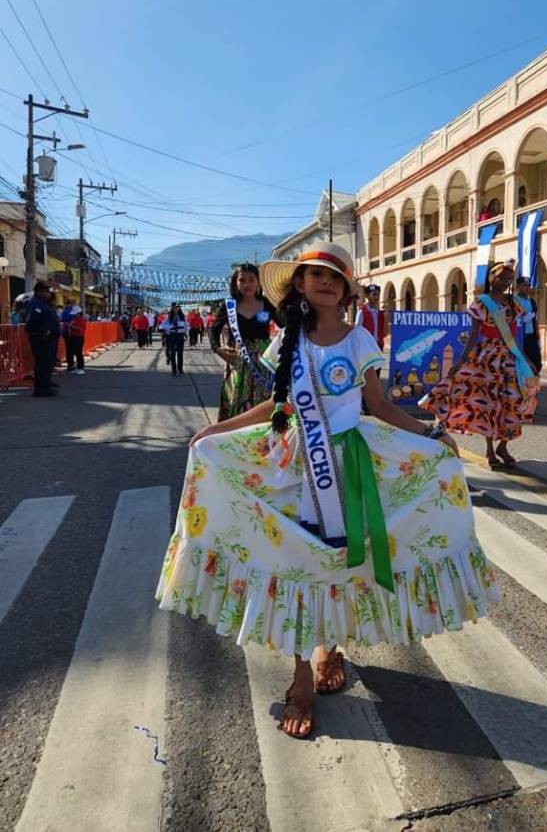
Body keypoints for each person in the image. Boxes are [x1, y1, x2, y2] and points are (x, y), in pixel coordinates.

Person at [156, 241, 500, 740]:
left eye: (335, 278)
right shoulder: (287, 338)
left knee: (340, 560)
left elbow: (378, 407)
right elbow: (279, 407)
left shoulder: (359, 339)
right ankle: (301, 676)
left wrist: (429, 434)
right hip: (295, 462)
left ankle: (329, 646)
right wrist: (218, 431)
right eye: (314, 275)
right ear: (298, 284)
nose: (324, 283)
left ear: (345, 291)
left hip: (351, 464)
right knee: (299, 560)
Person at [423, 260, 539, 470]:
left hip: (509, 357)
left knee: (515, 399)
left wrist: (526, 359)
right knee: (487, 402)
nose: (504, 282)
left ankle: (503, 445)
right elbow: (473, 335)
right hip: (486, 357)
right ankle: (489, 450)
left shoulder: (514, 303)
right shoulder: (482, 302)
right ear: (491, 278)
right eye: (500, 277)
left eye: (508, 279)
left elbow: (513, 334)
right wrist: (460, 361)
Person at [209, 263, 276, 421]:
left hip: (263, 363)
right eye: (242, 280)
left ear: (259, 282)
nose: (247, 284)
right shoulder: (228, 306)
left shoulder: (267, 304)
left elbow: (285, 325)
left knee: (262, 402)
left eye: (251, 279)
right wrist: (218, 349)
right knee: (235, 400)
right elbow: (214, 331)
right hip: (237, 361)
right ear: (235, 283)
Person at [24, 281, 60, 397]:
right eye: (47, 291)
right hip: (41, 338)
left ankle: (46, 383)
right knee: (42, 363)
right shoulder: (36, 303)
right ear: (40, 292)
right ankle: (41, 389)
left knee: (49, 362)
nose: (49, 293)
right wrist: (44, 332)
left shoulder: (45, 303)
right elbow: (32, 321)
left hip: (49, 338)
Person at [515, 276, 542, 373]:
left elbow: (535, 319)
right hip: (518, 337)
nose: (527, 287)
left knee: (536, 363)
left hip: (531, 336)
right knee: (520, 362)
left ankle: (532, 381)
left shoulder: (531, 301)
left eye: (528, 285)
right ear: (518, 286)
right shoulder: (513, 300)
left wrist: (538, 336)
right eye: (524, 285)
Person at [355, 284, 385, 352]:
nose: (376, 297)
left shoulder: (380, 313)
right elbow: (357, 331)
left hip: (378, 345)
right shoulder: (362, 312)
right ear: (367, 296)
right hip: (366, 346)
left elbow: (384, 330)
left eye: (378, 294)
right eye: (374, 294)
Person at [161, 304, 188, 375]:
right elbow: (162, 325)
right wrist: (169, 328)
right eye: (175, 308)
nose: (176, 310)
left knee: (180, 353)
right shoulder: (169, 317)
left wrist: (184, 329)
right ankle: (174, 370)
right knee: (172, 353)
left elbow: (186, 325)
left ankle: (180, 369)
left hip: (180, 335)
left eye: (178, 308)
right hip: (172, 336)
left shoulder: (182, 317)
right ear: (172, 309)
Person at [64, 305, 87, 374]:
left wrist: (70, 326)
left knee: (78, 353)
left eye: (76, 314)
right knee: (71, 352)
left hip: (79, 337)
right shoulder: (74, 319)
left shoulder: (82, 320)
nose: (74, 315)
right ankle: (75, 366)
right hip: (72, 337)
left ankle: (81, 367)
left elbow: (80, 329)